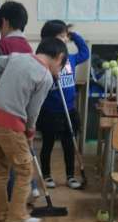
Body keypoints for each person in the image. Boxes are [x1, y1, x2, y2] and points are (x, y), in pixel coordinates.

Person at [0, 37, 68, 222]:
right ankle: (17, 215)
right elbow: (33, 111)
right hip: (10, 125)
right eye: (61, 67)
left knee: (0, 169)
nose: (59, 71)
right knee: (25, 170)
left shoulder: (17, 57)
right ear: (59, 57)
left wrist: (7, 84)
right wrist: (30, 133)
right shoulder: (45, 76)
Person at [0, 1, 40, 203]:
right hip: (23, 108)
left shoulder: (2, 45)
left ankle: (12, 198)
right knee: (23, 152)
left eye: (0, 27)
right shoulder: (27, 47)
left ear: (5, 22)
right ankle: (31, 189)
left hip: (4, 112)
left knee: (6, 159)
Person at [37, 20, 89, 190]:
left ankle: (70, 176)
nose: (65, 39)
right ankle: (46, 175)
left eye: (66, 36)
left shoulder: (71, 59)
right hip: (50, 112)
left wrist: (73, 35)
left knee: (69, 144)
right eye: (62, 36)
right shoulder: (43, 62)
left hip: (69, 110)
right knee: (48, 145)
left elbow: (85, 53)